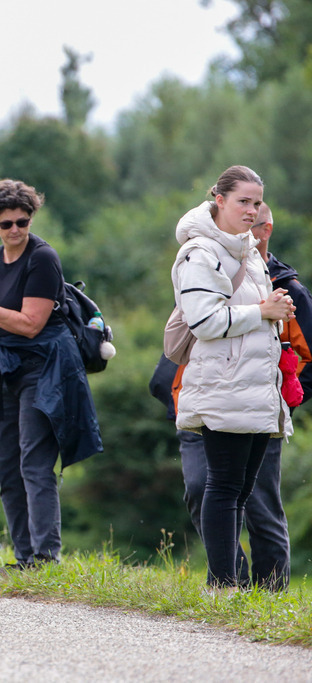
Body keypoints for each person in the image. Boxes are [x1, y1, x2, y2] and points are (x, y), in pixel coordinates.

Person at [150, 202, 312, 591]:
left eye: (251, 224)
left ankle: (270, 596)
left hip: (258, 406)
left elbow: (307, 356)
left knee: (259, 505)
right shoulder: (207, 263)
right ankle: (229, 582)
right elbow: (192, 330)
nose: (240, 231)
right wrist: (175, 390)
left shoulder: (287, 288)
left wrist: (278, 398)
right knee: (201, 488)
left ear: (266, 228)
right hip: (203, 401)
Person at [0, 179, 101, 569]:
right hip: (6, 368)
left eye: (23, 222)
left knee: (34, 462)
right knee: (7, 463)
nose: (16, 230)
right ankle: (23, 555)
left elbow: (31, 323)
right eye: (7, 223)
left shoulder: (42, 258)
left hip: (46, 368)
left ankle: (47, 557)